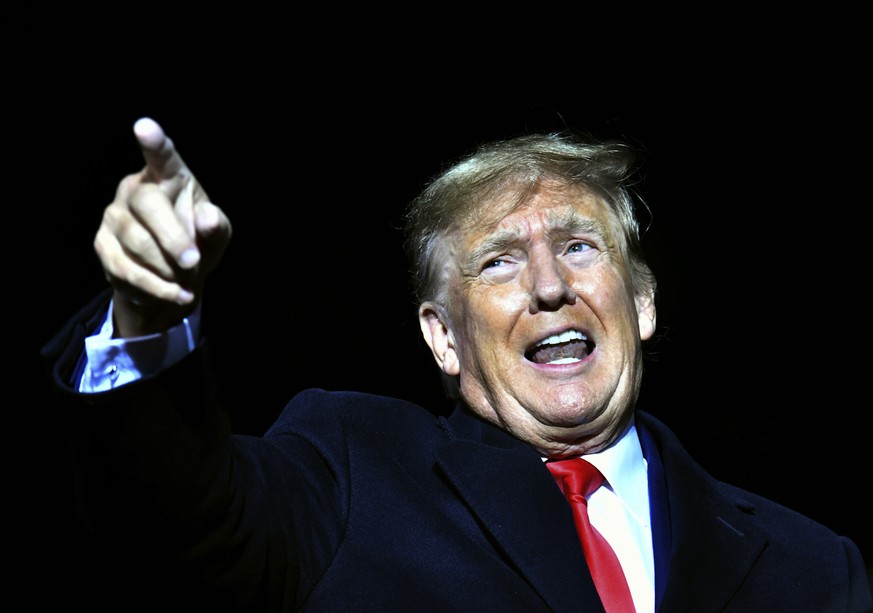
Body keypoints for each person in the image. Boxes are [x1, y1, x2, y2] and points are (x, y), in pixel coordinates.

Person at [42, 116, 872, 613]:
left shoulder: (813, 567)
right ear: (442, 338)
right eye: (500, 262)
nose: (549, 285)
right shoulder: (349, 466)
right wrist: (148, 316)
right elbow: (169, 517)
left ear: (643, 302)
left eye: (579, 246)